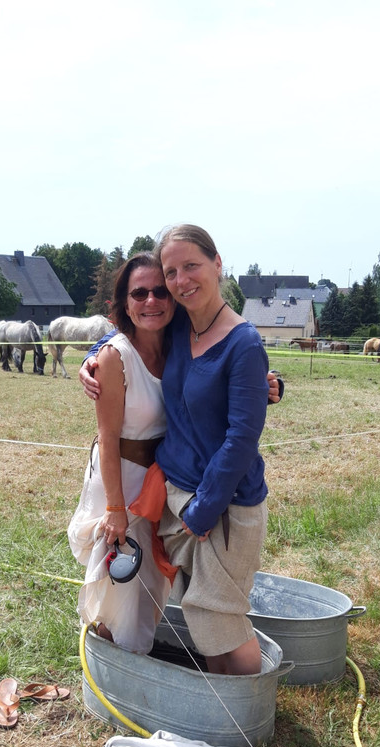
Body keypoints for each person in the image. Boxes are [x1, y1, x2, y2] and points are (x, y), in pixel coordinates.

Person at [81, 225, 274, 675]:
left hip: (215, 500)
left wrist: (204, 510)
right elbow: (129, 335)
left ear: (217, 264)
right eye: (172, 272)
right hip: (162, 490)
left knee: (216, 616)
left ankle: (246, 701)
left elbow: (241, 433)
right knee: (173, 606)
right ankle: (165, 683)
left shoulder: (232, 340)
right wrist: (95, 354)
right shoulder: (181, 327)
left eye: (191, 266)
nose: (178, 282)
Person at [67, 253, 174, 653]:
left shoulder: (179, 347)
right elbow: (107, 437)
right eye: (139, 293)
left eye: (160, 291)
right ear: (125, 304)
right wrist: (115, 508)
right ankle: (113, 664)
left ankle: (135, 656)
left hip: (157, 484)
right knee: (120, 583)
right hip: (121, 480)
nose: (151, 301)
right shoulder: (115, 356)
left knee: (150, 582)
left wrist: (266, 381)